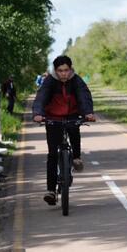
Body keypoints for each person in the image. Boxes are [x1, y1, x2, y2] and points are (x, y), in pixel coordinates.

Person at [32, 55, 95, 206]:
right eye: (60, 71)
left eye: (66, 70)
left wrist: (88, 113)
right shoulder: (49, 82)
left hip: (72, 115)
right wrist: (38, 114)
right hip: (53, 118)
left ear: (71, 69)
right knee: (53, 155)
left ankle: (76, 157)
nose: (64, 74)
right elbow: (41, 97)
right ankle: (51, 191)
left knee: (74, 130)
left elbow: (84, 96)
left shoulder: (76, 80)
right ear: (55, 71)